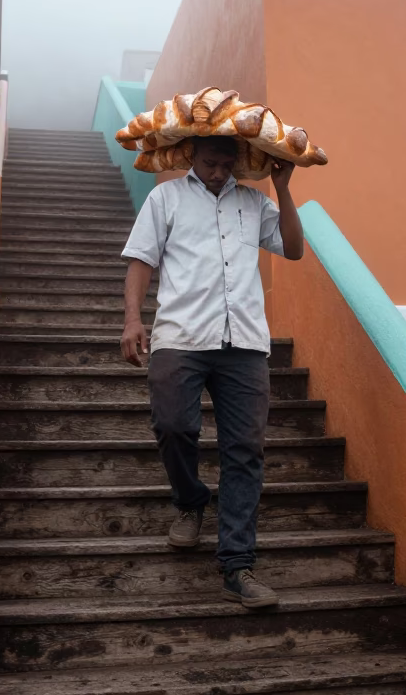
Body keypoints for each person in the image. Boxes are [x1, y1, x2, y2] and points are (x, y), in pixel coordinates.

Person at [119, 135, 304, 609]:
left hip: (243, 342)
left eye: (226, 164)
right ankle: (190, 500)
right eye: (209, 163)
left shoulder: (254, 202)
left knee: (245, 451)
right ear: (190, 158)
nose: (218, 172)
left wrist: (283, 189)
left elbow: (295, 249)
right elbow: (142, 260)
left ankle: (237, 565)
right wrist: (133, 320)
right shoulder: (167, 198)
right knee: (173, 425)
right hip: (180, 336)